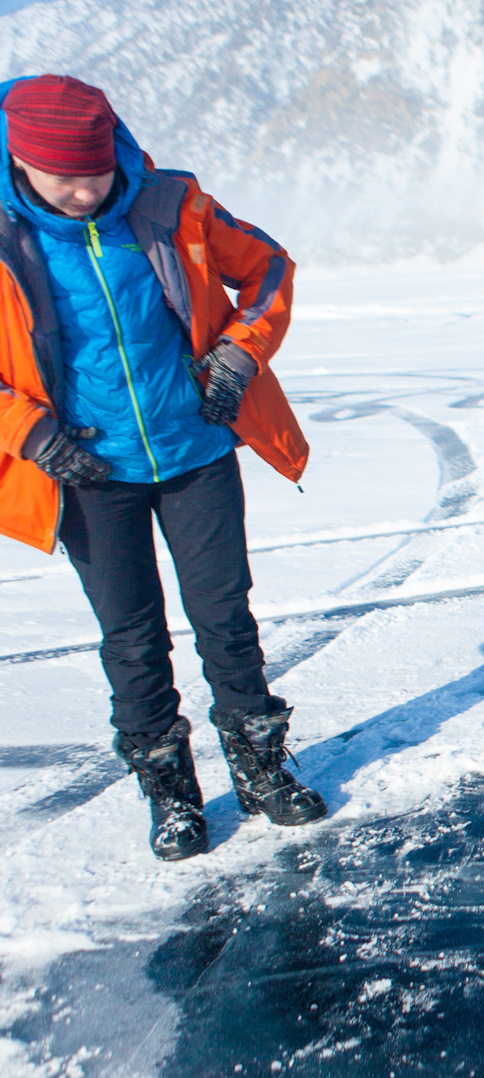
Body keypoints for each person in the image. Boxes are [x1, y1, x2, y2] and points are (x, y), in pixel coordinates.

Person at [0, 75, 324, 860]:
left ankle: (262, 768)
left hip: (194, 449)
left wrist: (240, 356)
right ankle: (171, 794)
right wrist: (28, 432)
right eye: (62, 177)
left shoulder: (170, 202)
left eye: (96, 171)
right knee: (133, 635)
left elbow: (270, 267)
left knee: (226, 618)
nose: (83, 190)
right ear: (20, 161)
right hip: (85, 470)